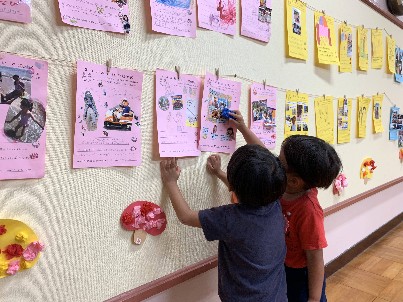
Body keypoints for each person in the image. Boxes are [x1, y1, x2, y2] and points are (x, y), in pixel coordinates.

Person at [213, 110, 342, 302]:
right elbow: (263, 158)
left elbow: (315, 257)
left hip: (301, 276)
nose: (272, 164)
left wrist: (314, 298)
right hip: (277, 267)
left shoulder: (308, 211)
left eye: (279, 162)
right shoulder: (281, 183)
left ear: (294, 181)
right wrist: (242, 128)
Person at [160, 145, 288, 302]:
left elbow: (186, 216)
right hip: (276, 295)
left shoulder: (230, 218)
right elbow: (253, 191)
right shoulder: (274, 203)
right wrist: (219, 173)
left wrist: (170, 182)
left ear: (233, 186)